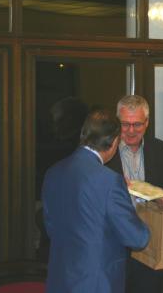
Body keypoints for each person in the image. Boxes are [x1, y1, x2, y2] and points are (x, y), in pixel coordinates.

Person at [42, 109, 150, 293]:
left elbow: (51, 227)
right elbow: (137, 238)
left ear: (84, 134)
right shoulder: (110, 181)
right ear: (115, 142)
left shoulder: (53, 172)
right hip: (97, 283)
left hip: (61, 278)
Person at [106, 94, 163, 293]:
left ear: (147, 123)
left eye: (137, 124)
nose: (131, 131)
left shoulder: (159, 149)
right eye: (125, 124)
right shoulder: (106, 151)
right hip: (113, 246)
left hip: (149, 244)